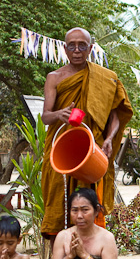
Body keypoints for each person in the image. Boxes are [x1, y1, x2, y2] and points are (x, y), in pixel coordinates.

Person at [41, 27, 133, 239]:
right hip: (61, 150)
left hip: (92, 150)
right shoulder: (54, 78)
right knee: (59, 201)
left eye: (82, 45)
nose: (76, 50)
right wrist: (59, 114)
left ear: (90, 48)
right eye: (71, 45)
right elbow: (46, 116)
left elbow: (115, 115)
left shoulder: (106, 78)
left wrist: (109, 139)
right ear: (64, 48)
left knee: (90, 201)